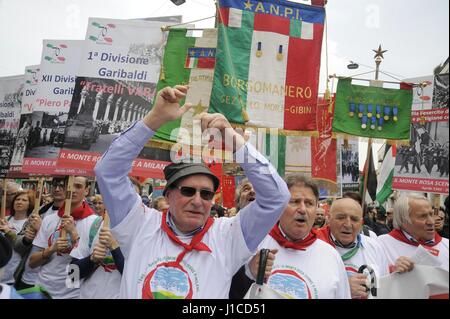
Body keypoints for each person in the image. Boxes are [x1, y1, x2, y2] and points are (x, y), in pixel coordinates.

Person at [94, 85, 290, 299]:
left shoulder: (227, 236)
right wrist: (154, 119)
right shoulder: (140, 224)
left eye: (206, 194)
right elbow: (108, 171)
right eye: (188, 191)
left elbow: (277, 197)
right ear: (168, 195)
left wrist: (233, 139)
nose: (198, 201)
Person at [229, 174, 350, 299]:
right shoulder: (254, 245)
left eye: (309, 203)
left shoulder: (331, 256)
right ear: (279, 206)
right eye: (294, 202)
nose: (302, 209)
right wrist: (249, 273)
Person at [28, 176, 98, 299]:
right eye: (70, 186)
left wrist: (73, 233)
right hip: (42, 288)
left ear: (86, 191)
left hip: (72, 293)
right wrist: (51, 249)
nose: (73, 190)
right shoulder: (49, 219)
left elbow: (91, 261)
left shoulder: (94, 222)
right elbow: (32, 262)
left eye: (78, 186)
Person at [316, 198, 389, 299]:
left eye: (354, 219)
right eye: (341, 217)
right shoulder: (314, 245)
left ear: (361, 223)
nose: (348, 224)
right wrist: (344, 289)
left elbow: (384, 290)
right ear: (329, 219)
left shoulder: (374, 247)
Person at [13, 177, 66, 290]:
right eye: (54, 185)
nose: (57, 189)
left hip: (51, 284)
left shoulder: (74, 216)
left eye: (62, 186)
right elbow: (17, 246)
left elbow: (73, 255)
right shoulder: (40, 211)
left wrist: (42, 229)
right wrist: (26, 240)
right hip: (26, 278)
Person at [378, 194, 449, 273]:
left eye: (431, 214)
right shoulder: (381, 245)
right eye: (423, 216)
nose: (431, 222)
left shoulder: (447, 245)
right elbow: (371, 281)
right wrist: (391, 272)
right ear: (403, 220)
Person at [0, 190, 35, 285]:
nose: (19, 202)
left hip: (10, 276)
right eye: (17, 199)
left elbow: (22, 248)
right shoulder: (5, 219)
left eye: (24, 200)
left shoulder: (30, 224)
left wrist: (8, 231)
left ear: (30, 204)